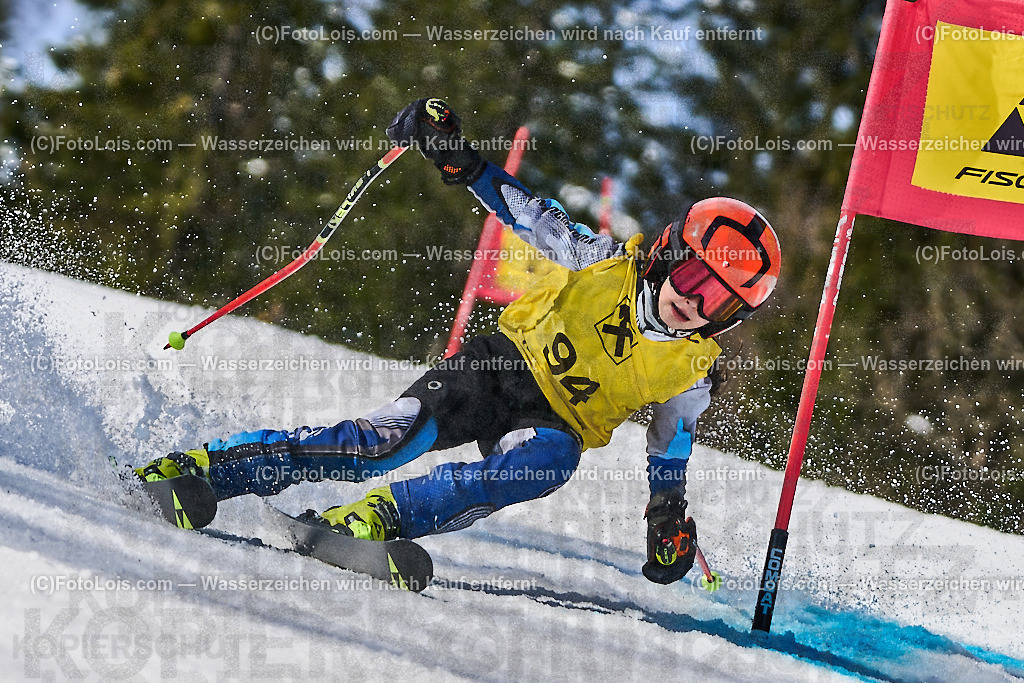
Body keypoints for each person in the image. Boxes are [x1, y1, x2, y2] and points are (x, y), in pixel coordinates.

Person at [136, 98, 781, 584]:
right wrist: (459, 158)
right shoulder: (602, 261)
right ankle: (203, 471)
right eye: (696, 277)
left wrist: (666, 517)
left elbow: (670, 450)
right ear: (670, 252)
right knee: (386, 441)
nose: (696, 302)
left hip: (548, 421)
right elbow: (524, 211)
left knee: (550, 460)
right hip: (494, 368)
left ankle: (373, 521)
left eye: (721, 301)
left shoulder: (691, 373)